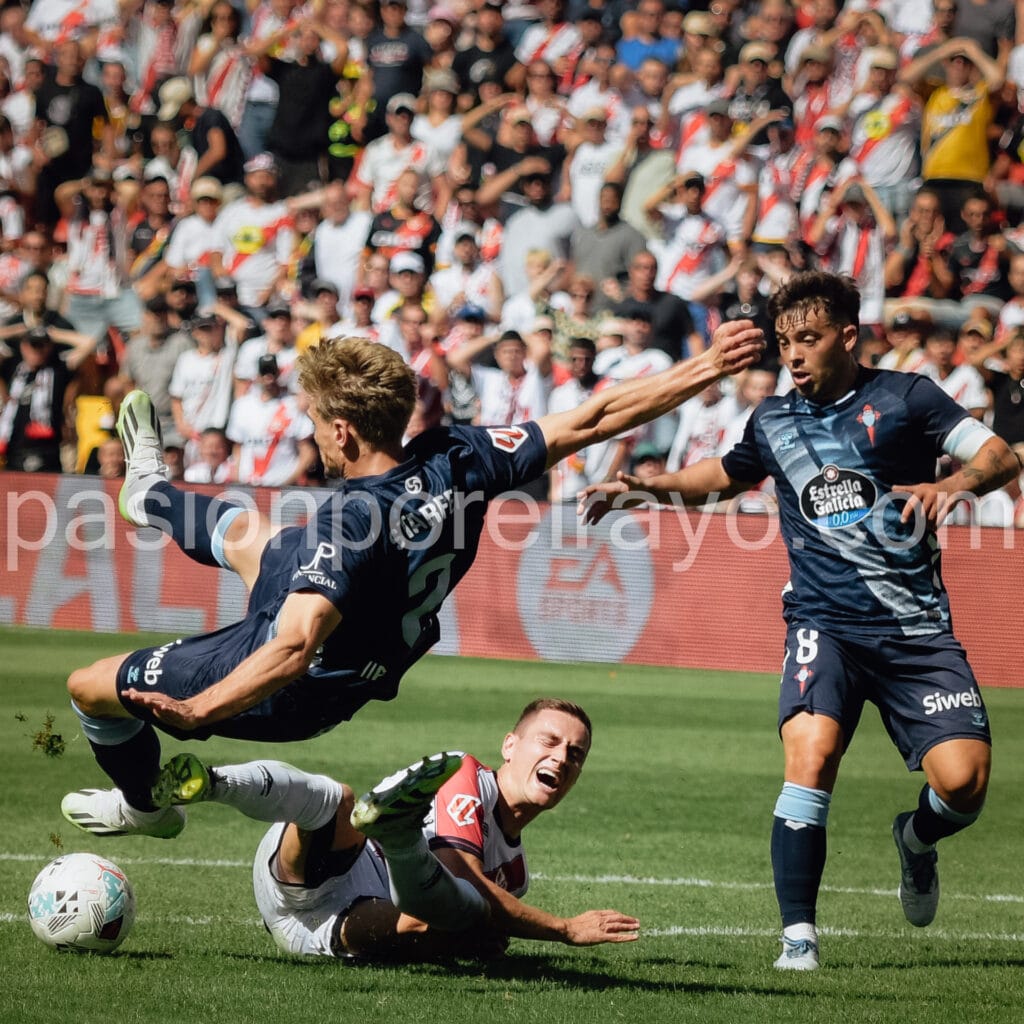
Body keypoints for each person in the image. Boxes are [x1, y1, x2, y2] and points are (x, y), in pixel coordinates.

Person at [60, 322, 764, 841]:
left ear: (342, 432)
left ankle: (145, 809)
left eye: (312, 423)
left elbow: (293, 647)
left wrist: (203, 711)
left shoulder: (355, 521)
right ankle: (149, 494)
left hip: (293, 685)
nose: (309, 435)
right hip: (372, 638)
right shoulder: (460, 455)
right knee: (259, 539)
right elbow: (595, 416)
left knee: (91, 686)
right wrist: (705, 365)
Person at [579, 271, 1020, 972]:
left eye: (807, 339)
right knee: (810, 757)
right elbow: (721, 476)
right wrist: (645, 487)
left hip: (914, 631)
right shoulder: (774, 420)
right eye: (784, 341)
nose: (793, 354)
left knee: (964, 785)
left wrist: (951, 485)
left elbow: (999, 454)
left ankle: (916, 839)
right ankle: (799, 939)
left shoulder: (908, 398)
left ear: (848, 337)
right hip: (824, 624)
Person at [146, 698, 639, 958]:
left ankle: (399, 835)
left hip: (336, 931)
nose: (562, 757)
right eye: (549, 741)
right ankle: (210, 782)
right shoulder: (464, 775)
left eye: (576, 754)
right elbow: (461, 871)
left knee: (437, 920)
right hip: (320, 866)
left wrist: (478, 937)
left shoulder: (514, 875)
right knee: (336, 800)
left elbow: (478, 924)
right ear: (510, 745)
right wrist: (563, 929)